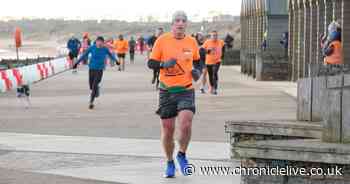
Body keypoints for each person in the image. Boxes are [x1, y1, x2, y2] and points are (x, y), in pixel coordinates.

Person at [147, 11, 202, 178]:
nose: (180, 23)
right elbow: (151, 63)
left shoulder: (191, 42)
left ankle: (182, 155)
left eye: (183, 21)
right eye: (177, 21)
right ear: (172, 24)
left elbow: (198, 61)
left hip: (185, 90)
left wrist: (197, 72)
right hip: (166, 91)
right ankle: (170, 161)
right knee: (168, 129)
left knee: (185, 124)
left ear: (186, 24)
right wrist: (163, 64)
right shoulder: (162, 40)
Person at [73, 36, 119, 109]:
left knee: (94, 85)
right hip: (91, 68)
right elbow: (84, 55)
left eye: (101, 42)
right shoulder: (92, 47)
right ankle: (96, 89)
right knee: (91, 86)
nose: (99, 43)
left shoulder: (105, 49)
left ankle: (91, 102)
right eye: (98, 41)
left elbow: (111, 55)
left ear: (103, 42)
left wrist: (116, 61)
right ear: (96, 42)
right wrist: (76, 63)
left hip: (100, 69)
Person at [202, 30, 225, 95]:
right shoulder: (207, 42)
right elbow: (202, 51)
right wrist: (208, 51)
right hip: (208, 61)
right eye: (213, 35)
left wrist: (222, 57)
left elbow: (223, 48)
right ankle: (212, 87)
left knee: (214, 73)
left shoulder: (221, 42)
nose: (215, 37)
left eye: (216, 35)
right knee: (210, 75)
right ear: (211, 36)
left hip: (217, 61)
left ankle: (215, 88)